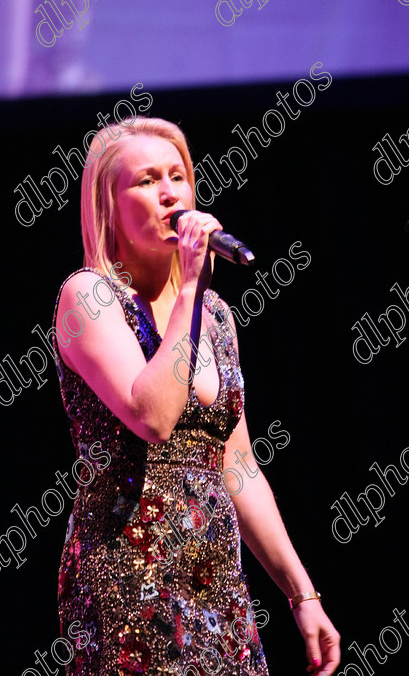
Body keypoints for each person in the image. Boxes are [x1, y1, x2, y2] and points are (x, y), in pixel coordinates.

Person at [52, 115, 341, 676]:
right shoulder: (88, 297)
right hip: (128, 577)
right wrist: (189, 286)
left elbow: (239, 467)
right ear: (108, 206)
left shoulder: (216, 317)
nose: (169, 193)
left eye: (177, 176)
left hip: (216, 582)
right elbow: (153, 417)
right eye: (145, 180)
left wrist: (302, 594)